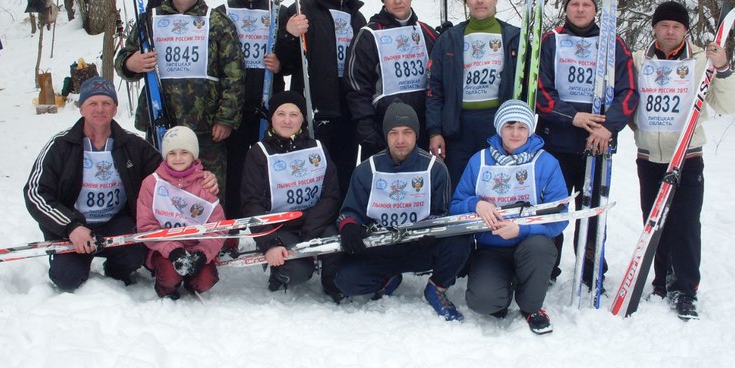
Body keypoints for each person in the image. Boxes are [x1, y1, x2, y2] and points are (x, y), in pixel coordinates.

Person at [632, 1, 735, 319]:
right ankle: (662, 282)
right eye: (664, 25)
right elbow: (627, 98)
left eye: (676, 26)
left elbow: (729, 105)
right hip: (649, 156)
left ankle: (684, 288)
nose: (669, 31)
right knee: (654, 222)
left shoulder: (702, 61)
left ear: (685, 30)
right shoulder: (639, 60)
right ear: (654, 27)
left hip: (687, 156)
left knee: (686, 223)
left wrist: (722, 67)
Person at [115, 0, 246, 205]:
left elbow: (234, 74)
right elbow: (122, 59)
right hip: (162, 120)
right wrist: (131, 63)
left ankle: (213, 229)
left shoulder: (217, 21)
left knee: (209, 188)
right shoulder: (149, 20)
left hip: (206, 125)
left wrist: (226, 118)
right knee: (162, 189)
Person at [536, 0, 638, 284]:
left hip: (597, 143)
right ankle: (545, 267)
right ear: (566, 8)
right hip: (556, 141)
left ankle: (591, 269)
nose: (580, 9)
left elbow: (629, 91)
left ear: (595, 10)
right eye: (574, 4)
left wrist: (609, 126)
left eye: (586, 5)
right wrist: (571, 116)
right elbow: (540, 91)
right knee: (552, 209)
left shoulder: (612, 44)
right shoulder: (551, 41)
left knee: (592, 211)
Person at [335, 101, 472, 321]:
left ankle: (436, 287)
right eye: (394, 133)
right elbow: (350, 210)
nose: (400, 140)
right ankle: (388, 278)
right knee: (345, 281)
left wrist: (432, 230)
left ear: (416, 134)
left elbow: (444, 212)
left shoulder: (435, 169)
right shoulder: (366, 170)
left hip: (420, 245)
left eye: (407, 132)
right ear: (386, 136)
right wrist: (349, 226)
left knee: (460, 241)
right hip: (382, 247)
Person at [22, 77, 162, 291]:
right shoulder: (61, 145)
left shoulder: (132, 144)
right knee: (67, 279)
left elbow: (167, 173)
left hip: (117, 222)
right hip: (74, 225)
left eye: (106, 103)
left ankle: (116, 270)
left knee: (133, 257)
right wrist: (70, 226)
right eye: (93, 103)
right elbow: (36, 193)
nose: (100, 109)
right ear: (81, 108)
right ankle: (72, 262)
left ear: (115, 108)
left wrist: (200, 177)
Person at [450, 100, 569, 334]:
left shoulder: (546, 163)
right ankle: (501, 290)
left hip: (530, 244)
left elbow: (560, 216)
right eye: (509, 126)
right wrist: (475, 204)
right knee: (482, 302)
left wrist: (523, 229)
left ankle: (531, 306)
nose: (515, 133)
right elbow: (455, 207)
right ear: (499, 128)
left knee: (539, 248)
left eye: (522, 127)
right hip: (492, 247)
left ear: (530, 129)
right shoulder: (479, 160)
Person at [239, 90, 343, 297]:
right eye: (281, 114)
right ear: (272, 118)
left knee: (335, 247)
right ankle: (280, 273)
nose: (287, 121)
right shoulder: (259, 153)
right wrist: (270, 244)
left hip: (315, 223)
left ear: (302, 118)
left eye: (294, 114)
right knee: (298, 271)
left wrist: (309, 233)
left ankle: (333, 283)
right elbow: (252, 204)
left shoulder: (317, 149)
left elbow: (331, 195)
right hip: (280, 226)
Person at [284, 0, 366, 196]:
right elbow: (286, 63)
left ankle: (342, 214)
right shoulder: (305, 10)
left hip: (349, 107)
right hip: (317, 107)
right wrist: (289, 34)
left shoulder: (357, 16)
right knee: (314, 172)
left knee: (344, 171)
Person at [426, 0, 520, 185]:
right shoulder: (449, 38)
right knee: (460, 185)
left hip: (497, 124)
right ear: (466, 1)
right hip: (458, 125)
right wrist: (435, 131)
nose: (480, 0)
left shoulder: (514, 38)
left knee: (496, 185)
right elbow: (434, 89)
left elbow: (527, 86)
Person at [218, 0, 293, 219]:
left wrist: (281, 63)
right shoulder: (222, 12)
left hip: (268, 103)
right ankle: (234, 220)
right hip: (235, 106)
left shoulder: (278, 11)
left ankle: (269, 216)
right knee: (236, 168)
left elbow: (294, 57)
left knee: (268, 165)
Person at [346, 0, 438, 160]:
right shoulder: (369, 34)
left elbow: (440, 77)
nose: (397, 0)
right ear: (384, 0)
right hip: (382, 130)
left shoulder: (426, 32)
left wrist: (447, 37)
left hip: (419, 127)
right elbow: (356, 85)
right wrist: (365, 127)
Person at [136, 126, 225, 299]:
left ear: (194, 155)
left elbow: (218, 228)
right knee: (170, 277)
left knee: (206, 280)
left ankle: (192, 282)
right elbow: (146, 226)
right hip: (165, 248)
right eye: (172, 153)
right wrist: (172, 250)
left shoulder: (205, 184)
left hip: (196, 246)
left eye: (184, 152)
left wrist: (203, 252)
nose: (178, 158)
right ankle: (166, 288)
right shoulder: (152, 184)